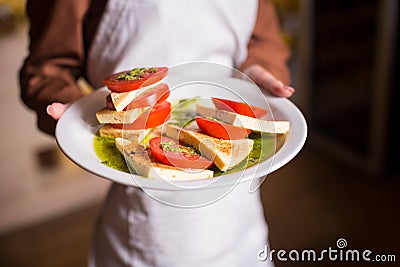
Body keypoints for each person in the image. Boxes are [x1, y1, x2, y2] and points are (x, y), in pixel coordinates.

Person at [20, 0, 294, 266]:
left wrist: (260, 69)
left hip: (242, 212)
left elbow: (263, 39)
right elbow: (46, 70)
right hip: (145, 230)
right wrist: (76, 112)